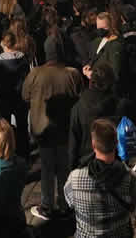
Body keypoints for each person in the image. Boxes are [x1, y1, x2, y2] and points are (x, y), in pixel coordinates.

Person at [23, 34, 82, 220]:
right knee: (64, 167)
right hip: (65, 129)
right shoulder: (72, 74)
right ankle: (65, 204)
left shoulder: (35, 74)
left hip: (43, 127)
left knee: (47, 168)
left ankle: (47, 205)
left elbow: (25, 95)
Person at [65, 118, 136, 238]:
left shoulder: (75, 178)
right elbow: (133, 205)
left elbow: (70, 202)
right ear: (116, 144)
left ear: (93, 145)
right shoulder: (131, 178)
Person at [0, 32, 30, 158]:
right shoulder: (23, 60)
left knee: (4, 129)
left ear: (3, 43)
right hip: (20, 98)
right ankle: (24, 154)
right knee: (23, 127)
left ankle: (6, 152)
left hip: (4, 98)